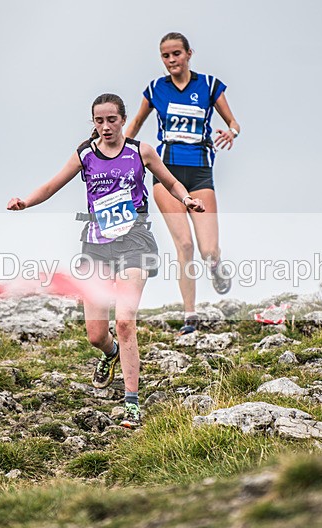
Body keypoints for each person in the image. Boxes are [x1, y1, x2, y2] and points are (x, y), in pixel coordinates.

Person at [7, 93, 204, 428]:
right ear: (93, 123)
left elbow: (169, 180)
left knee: (125, 321)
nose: (105, 127)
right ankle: (110, 354)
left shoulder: (140, 151)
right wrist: (26, 202)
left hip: (135, 242)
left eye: (111, 119)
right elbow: (54, 184)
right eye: (99, 121)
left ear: (122, 119)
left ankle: (131, 403)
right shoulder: (86, 154)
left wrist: (186, 197)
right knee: (96, 334)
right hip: (96, 246)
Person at [125, 31, 241, 335]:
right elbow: (135, 125)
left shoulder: (209, 85)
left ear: (189, 54)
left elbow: (233, 122)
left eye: (177, 54)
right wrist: (120, 152)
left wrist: (232, 132)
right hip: (167, 174)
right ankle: (190, 315)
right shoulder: (155, 89)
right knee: (185, 245)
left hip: (201, 173)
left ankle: (216, 267)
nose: (172, 60)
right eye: (166, 56)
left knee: (208, 250)